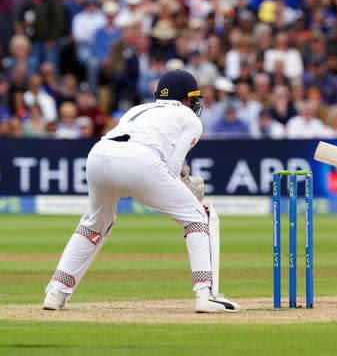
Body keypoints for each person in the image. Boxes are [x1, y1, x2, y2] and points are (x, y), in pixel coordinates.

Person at [42, 69, 240, 313]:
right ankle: (205, 295)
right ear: (186, 99)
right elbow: (172, 166)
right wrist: (186, 186)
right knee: (198, 217)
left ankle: (56, 292)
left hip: (98, 155)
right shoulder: (191, 119)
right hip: (139, 160)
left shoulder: (136, 109)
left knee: (95, 223)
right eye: (193, 98)